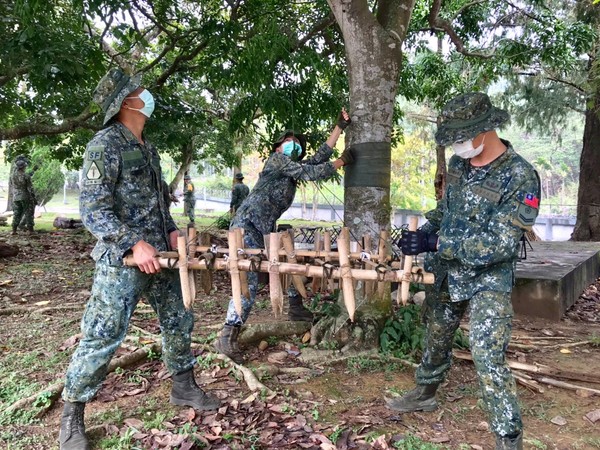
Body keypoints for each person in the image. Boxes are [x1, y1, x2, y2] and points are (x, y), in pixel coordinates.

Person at [59, 68, 219, 450]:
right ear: (127, 101)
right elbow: (93, 209)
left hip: (161, 257)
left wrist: (171, 231)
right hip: (123, 263)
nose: (148, 95)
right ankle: (72, 415)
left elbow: (159, 203)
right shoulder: (104, 144)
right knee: (102, 334)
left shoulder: (148, 147)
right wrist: (133, 244)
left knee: (180, 319)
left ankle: (184, 386)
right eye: (141, 90)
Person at [388, 93, 540, 450]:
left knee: (487, 353)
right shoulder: (458, 166)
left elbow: (500, 244)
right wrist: (425, 231)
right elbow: (449, 210)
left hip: (489, 278)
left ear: (485, 130)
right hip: (449, 272)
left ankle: (507, 436)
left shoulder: (520, 176)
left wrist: (437, 245)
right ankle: (425, 391)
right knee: (436, 334)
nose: (456, 145)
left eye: (460, 137)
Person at [214, 109, 355, 364]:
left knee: (287, 265)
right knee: (248, 280)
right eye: (290, 141)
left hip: (264, 229)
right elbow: (314, 172)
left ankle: (296, 308)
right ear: (278, 147)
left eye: (298, 144)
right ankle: (228, 333)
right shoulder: (277, 162)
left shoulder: (291, 169)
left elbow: (317, 159)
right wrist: (341, 162)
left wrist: (339, 127)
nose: (296, 146)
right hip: (246, 227)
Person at [10, 158, 36, 234]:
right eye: (25, 166)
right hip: (25, 196)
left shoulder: (12, 176)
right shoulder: (26, 176)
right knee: (29, 213)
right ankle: (31, 231)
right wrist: (33, 198)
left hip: (16, 197)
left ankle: (14, 230)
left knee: (16, 213)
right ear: (23, 167)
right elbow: (30, 188)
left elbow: (12, 185)